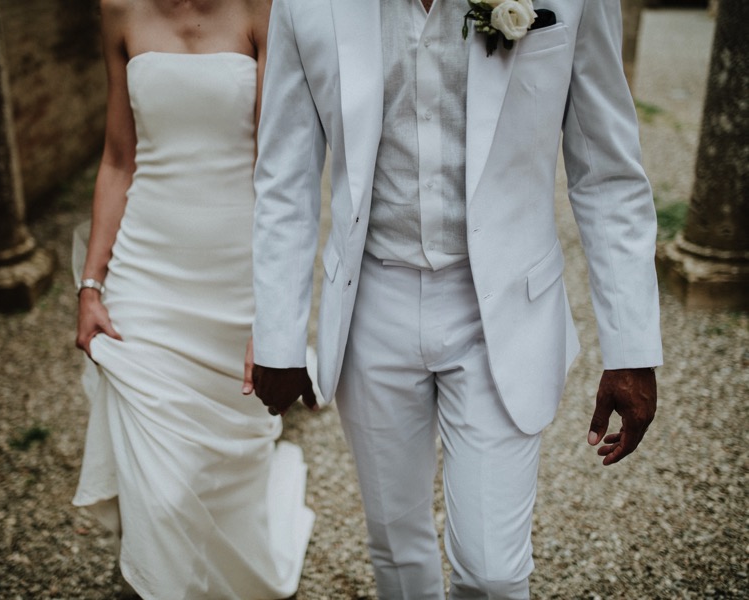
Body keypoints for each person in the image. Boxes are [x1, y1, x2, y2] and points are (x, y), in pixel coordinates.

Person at [251, 0, 662, 598]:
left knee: (494, 574)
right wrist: (279, 338)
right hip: (370, 301)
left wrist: (631, 347)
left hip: (506, 304)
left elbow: (607, 174)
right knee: (396, 545)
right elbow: (285, 178)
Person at [71, 0, 314, 597]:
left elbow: (277, 167)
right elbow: (118, 159)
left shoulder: (260, 9)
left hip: (235, 276)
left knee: (225, 463)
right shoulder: (119, 10)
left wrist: (276, 309)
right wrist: (91, 284)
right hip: (145, 273)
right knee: (160, 485)